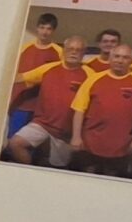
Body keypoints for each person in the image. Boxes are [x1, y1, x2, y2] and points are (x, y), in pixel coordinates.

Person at [70, 37, 132, 176]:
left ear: (131, 61)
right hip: (90, 143)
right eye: (116, 56)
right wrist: (76, 137)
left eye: (125, 57)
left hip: (121, 147)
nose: (120, 60)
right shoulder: (94, 79)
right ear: (110, 59)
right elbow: (79, 110)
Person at [6, 35, 90, 167]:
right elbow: (20, 77)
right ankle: (29, 171)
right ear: (63, 51)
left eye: (78, 50)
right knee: (15, 143)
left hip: (66, 132)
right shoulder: (48, 68)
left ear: (84, 53)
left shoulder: (90, 75)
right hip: (42, 123)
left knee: (58, 167)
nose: (74, 52)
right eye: (70, 49)